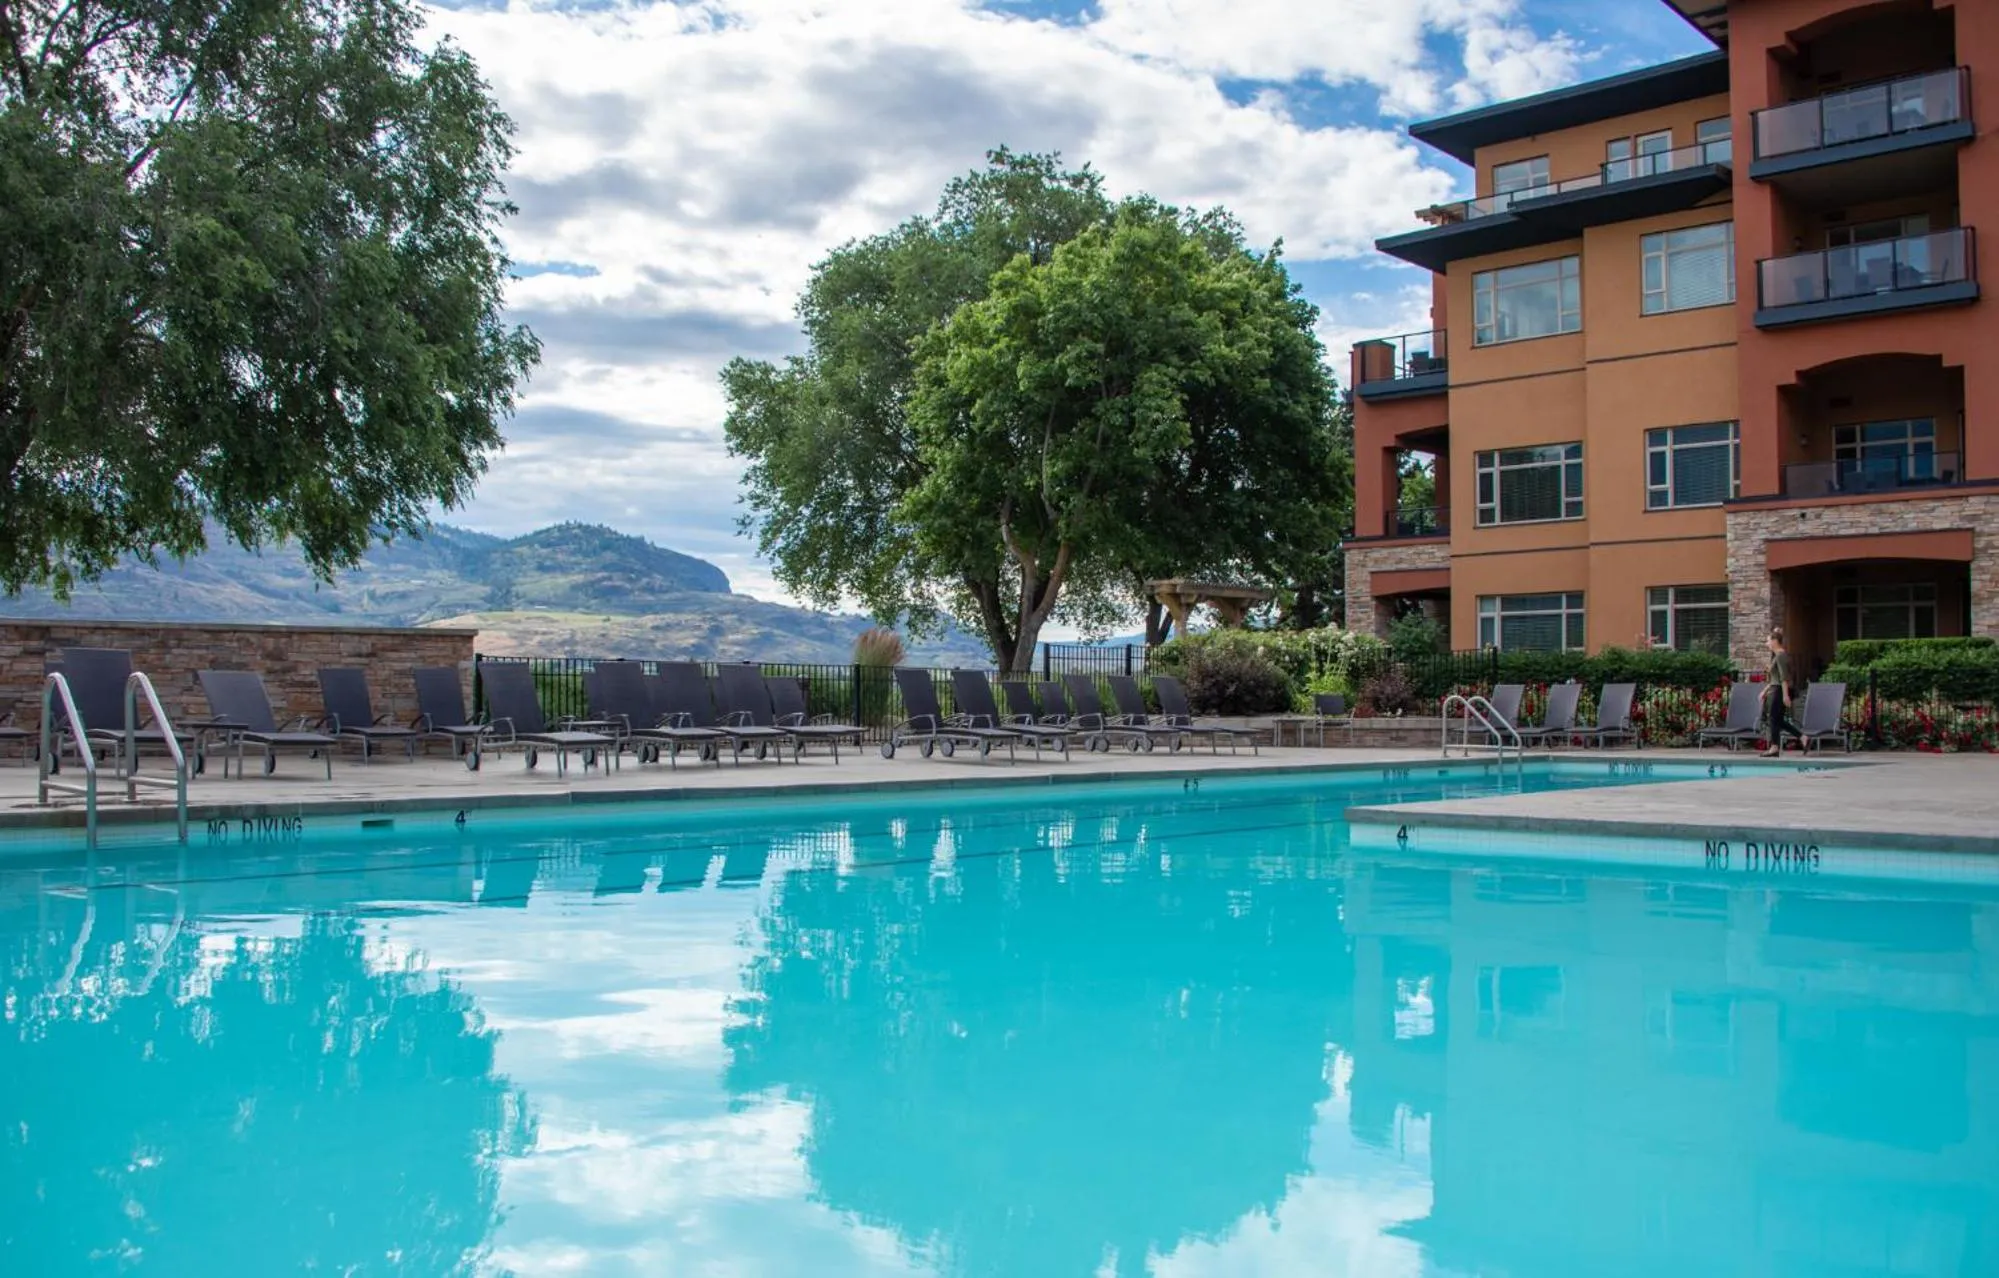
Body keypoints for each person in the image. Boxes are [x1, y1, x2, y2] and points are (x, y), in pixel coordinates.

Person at [1761, 626, 1800, 757]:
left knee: (1773, 718)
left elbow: (1784, 678)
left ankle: (1774, 747)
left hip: (1778, 691)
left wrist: (1785, 696)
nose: (1766, 644)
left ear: (1774, 641)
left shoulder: (1781, 656)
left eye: (1768, 641)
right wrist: (1765, 690)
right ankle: (1803, 737)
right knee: (1777, 720)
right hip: (1775, 689)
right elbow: (1775, 678)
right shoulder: (1777, 656)